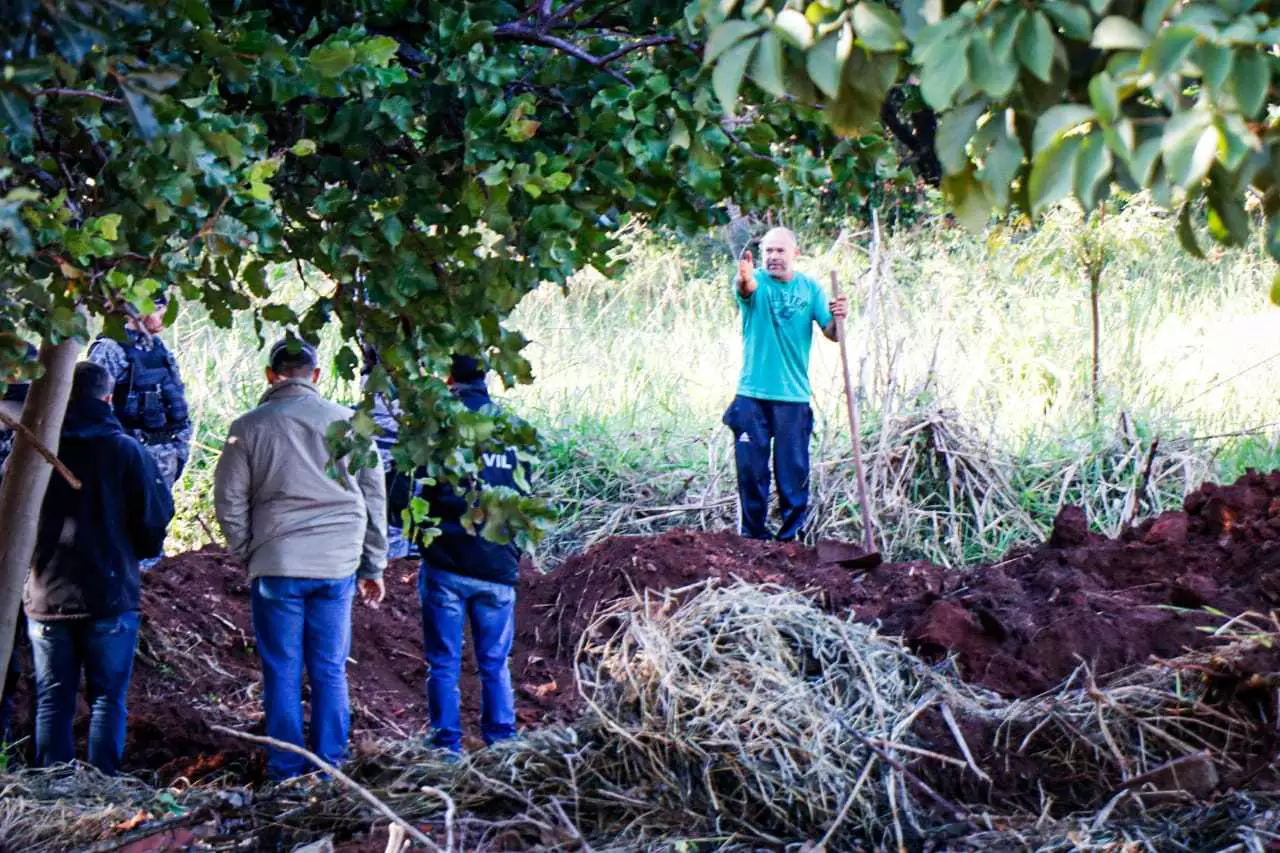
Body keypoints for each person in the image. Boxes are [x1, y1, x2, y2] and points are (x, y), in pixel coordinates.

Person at [213, 339, 388, 780]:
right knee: (330, 669)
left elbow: (228, 501)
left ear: (271, 374)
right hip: (336, 566)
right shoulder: (351, 424)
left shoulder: (248, 427)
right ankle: (331, 767)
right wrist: (373, 565)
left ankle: (287, 771)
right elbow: (374, 498)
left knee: (281, 671)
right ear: (315, 375)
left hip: (278, 564)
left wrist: (249, 552)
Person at [23, 361, 174, 775]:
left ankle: (52, 787)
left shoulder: (36, 449)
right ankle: (103, 785)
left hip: (47, 593)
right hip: (110, 595)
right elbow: (154, 516)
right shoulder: (126, 450)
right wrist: (137, 552)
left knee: (53, 698)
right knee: (108, 698)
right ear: (108, 398)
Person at [415, 355, 529, 753]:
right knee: (495, 663)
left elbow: (417, 494)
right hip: (497, 563)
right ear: (487, 376)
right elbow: (524, 494)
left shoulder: (441, 427)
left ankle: (446, 748)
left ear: (449, 378)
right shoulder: (514, 429)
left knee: (444, 663)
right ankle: (502, 745)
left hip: (447, 560)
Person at [723, 227, 848, 541]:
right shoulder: (756, 283)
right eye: (768, 251)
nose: (773, 257)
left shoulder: (810, 289)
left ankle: (792, 539)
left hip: (793, 397)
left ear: (795, 253)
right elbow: (746, 287)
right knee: (752, 472)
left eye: (780, 251)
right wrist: (743, 277)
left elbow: (832, 334)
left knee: (793, 471)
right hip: (752, 396)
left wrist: (840, 318)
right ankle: (752, 538)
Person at [88, 295, 190, 568]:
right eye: (160, 309)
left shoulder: (158, 347)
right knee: (127, 527)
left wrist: (180, 448)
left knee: (154, 526)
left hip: (164, 455)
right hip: (130, 456)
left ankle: (152, 584)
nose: (166, 318)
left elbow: (177, 403)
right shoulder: (110, 349)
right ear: (139, 308)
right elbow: (95, 409)